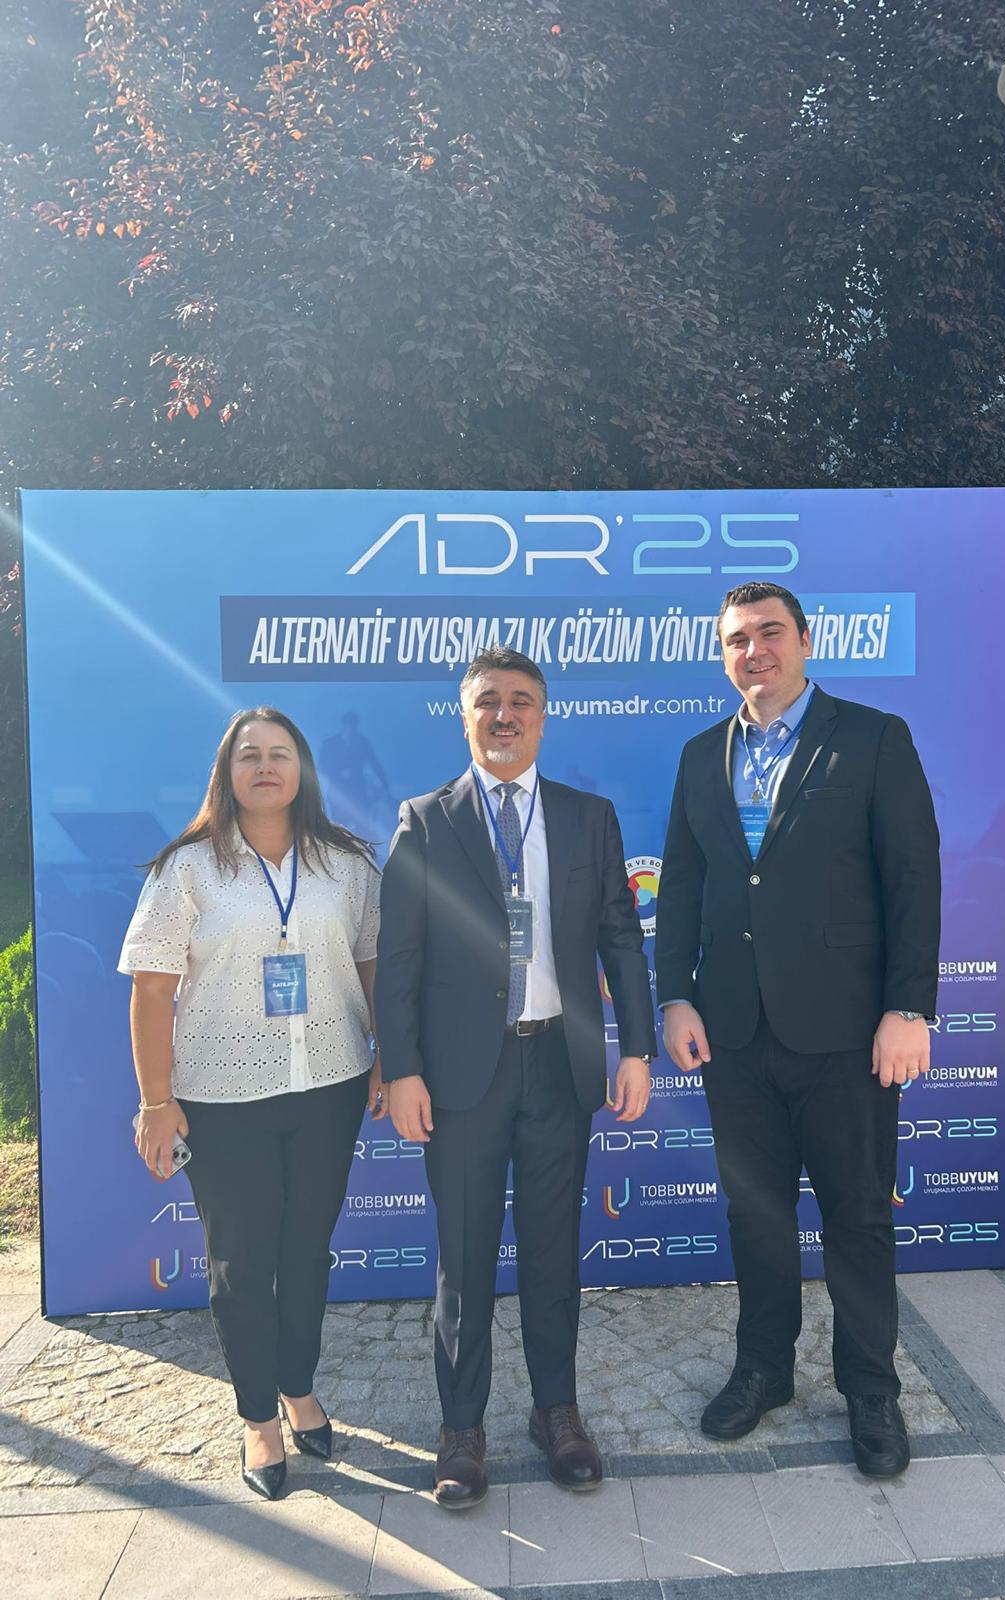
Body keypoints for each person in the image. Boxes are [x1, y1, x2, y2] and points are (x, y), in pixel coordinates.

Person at [656, 581, 940, 1478]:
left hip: (848, 1033)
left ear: (806, 641)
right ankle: (764, 1370)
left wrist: (908, 1007)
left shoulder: (873, 738)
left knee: (858, 1218)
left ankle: (871, 1390)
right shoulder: (702, 754)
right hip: (733, 1033)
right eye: (737, 639)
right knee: (756, 1215)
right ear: (723, 655)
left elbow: (913, 878)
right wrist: (674, 996)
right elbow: (683, 888)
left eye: (770, 633)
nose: (755, 651)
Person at [375, 647, 656, 1509]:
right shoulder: (426, 820)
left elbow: (620, 938)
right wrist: (403, 1070)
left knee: (552, 1251)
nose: (505, 715)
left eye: (522, 701)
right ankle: (462, 1431)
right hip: (462, 1076)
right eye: (489, 701)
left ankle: (556, 1412)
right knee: (463, 1259)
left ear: (543, 716)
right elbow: (399, 959)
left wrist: (636, 1049)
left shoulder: (587, 817)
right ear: (463, 717)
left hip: (559, 1068)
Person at [119, 707, 383, 1501]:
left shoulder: (346, 864)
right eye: (249, 756)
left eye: (280, 753)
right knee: (240, 1261)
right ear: (226, 774)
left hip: (331, 1085)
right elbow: (152, 991)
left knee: (306, 1251)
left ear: (303, 769)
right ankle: (259, 1417)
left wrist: (388, 1060)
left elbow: (372, 966)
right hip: (221, 1096)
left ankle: (298, 1387)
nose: (265, 766)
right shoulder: (188, 869)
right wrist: (155, 1101)